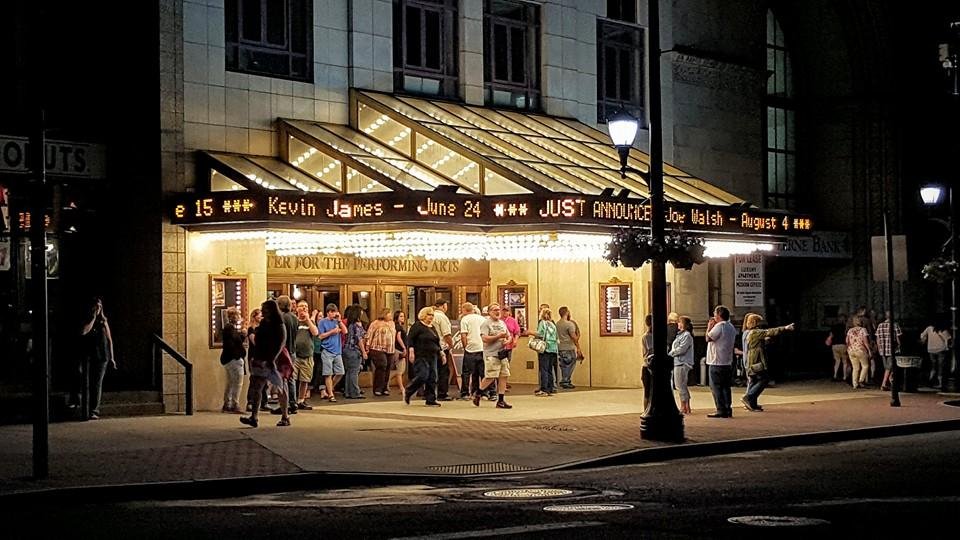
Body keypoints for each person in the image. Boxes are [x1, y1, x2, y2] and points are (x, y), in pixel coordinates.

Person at [241, 299, 290, 428]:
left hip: (275, 358)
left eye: (264, 310)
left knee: (280, 387)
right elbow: (258, 338)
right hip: (260, 357)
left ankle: (285, 416)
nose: (262, 312)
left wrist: (273, 358)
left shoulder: (279, 325)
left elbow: (281, 342)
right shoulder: (263, 323)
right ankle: (254, 416)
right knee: (257, 386)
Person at [742, 315, 795, 411]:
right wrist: (785, 328)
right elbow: (770, 331)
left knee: (754, 380)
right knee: (763, 379)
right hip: (756, 360)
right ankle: (749, 397)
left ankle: (752, 403)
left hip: (750, 360)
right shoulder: (755, 332)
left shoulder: (749, 333)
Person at [81, 297, 116, 420]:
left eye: (100, 307)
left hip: (102, 355)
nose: (98, 309)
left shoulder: (103, 321)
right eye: (96, 307)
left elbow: (110, 340)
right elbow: (84, 332)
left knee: (97, 383)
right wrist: (93, 317)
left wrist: (112, 357)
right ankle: (84, 407)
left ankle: (94, 410)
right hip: (90, 354)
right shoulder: (89, 319)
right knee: (87, 382)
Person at [473, 303, 513, 409]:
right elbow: (484, 339)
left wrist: (507, 341)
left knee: (504, 375)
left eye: (498, 309)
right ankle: (478, 392)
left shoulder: (502, 323)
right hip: (491, 354)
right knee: (491, 376)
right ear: (489, 312)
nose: (497, 312)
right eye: (494, 310)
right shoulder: (486, 324)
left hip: (502, 354)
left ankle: (501, 400)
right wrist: (497, 336)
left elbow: (509, 336)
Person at [404, 306, 442, 406]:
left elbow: (437, 341)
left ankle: (431, 399)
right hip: (421, 355)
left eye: (432, 315)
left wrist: (441, 353)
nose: (431, 317)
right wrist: (411, 352)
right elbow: (410, 340)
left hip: (433, 355)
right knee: (423, 375)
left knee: (433, 377)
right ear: (424, 315)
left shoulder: (432, 328)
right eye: (429, 315)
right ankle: (409, 390)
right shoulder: (417, 326)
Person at [705, 305, 737, 418]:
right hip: (727, 361)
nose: (713, 315)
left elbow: (708, 338)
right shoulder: (731, 327)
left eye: (715, 313)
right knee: (726, 387)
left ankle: (720, 409)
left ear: (719, 315)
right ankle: (728, 408)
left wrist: (709, 327)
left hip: (716, 361)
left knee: (716, 386)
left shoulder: (719, 326)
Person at [274, 295, 299, 416]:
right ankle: (293, 403)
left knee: (282, 380)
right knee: (291, 378)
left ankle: (285, 405)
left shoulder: (282, 318)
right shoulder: (294, 318)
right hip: (292, 350)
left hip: (284, 351)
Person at [317, 303, 347, 402]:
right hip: (327, 350)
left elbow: (345, 331)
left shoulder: (336, 321)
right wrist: (332, 332)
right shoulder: (322, 322)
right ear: (328, 312)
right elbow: (320, 336)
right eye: (332, 312)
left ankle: (329, 388)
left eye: (335, 312)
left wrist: (339, 321)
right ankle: (331, 394)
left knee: (340, 372)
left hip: (337, 351)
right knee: (328, 373)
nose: (334, 314)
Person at [292, 300, 319, 410]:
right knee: (292, 379)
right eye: (301, 306)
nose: (304, 308)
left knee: (305, 379)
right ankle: (292, 400)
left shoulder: (310, 322)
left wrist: (308, 319)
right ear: (297, 308)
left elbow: (315, 333)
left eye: (306, 306)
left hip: (307, 355)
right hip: (295, 355)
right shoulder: (294, 321)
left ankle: (301, 400)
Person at [219, 307, 246, 413]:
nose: (238, 317)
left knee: (230, 382)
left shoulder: (229, 328)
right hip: (233, 359)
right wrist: (238, 355)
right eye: (237, 315)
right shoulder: (230, 328)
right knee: (237, 382)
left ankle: (227, 403)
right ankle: (235, 403)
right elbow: (235, 343)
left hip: (228, 359)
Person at [527, 307, 559, 396]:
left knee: (543, 369)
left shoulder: (542, 323)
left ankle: (544, 389)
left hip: (545, 348)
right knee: (549, 369)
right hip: (553, 348)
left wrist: (530, 332)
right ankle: (550, 387)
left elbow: (540, 334)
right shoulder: (552, 324)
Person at [668, 316, 695, 415]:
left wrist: (670, 354)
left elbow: (681, 349)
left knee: (680, 385)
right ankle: (685, 405)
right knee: (680, 385)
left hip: (682, 363)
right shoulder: (680, 335)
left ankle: (684, 406)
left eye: (680, 322)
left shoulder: (687, 335)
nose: (678, 324)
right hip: (678, 362)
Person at [366, 309, 396, 396]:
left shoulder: (392, 323)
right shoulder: (375, 323)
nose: (391, 315)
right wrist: (367, 347)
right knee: (382, 365)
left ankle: (385, 388)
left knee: (388, 368)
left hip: (390, 349)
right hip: (377, 348)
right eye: (389, 314)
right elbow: (369, 335)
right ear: (384, 314)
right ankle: (377, 388)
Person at [459, 302, 486, 399]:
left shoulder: (464, 319)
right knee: (482, 372)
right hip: (482, 347)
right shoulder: (482, 319)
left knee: (467, 372)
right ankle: (483, 393)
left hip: (470, 348)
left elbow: (463, 335)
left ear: (464, 309)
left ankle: (465, 393)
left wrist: (465, 346)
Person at [245, 308, 270, 412]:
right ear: (255, 317)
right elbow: (255, 342)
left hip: (263, 356)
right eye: (260, 315)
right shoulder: (251, 329)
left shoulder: (263, 329)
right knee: (254, 379)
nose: (262, 317)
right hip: (254, 356)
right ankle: (250, 402)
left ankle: (264, 402)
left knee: (264, 380)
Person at [342, 304, 368, 399]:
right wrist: (364, 352)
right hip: (353, 350)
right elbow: (359, 339)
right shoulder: (356, 326)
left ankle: (348, 392)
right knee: (354, 372)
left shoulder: (350, 324)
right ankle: (355, 392)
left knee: (349, 372)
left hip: (347, 349)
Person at [431, 300, 455, 401]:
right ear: (443, 306)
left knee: (431, 370)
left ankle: (426, 392)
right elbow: (446, 334)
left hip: (431, 346)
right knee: (443, 371)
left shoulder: (430, 315)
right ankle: (442, 393)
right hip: (441, 346)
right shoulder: (442, 317)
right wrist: (451, 344)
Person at [920, 318, 952, 389]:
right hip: (941, 350)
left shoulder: (929, 328)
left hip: (931, 350)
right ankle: (940, 383)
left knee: (933, 366)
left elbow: (922, 335)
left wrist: (924, 340)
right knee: (940, 367)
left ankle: (930, 381)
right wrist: (948, 347)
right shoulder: (943, 330)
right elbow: (948, 339)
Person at [556, 306, 583, 389]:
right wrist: (578, 348)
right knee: (570, 364)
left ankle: (564, 380)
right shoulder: (569, 324)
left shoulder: (557, 324)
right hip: (568, 348)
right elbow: (574, 337)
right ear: (567, 312)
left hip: (560, 347)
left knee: (563, 365)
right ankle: (565, 381)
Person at [876, 311, 902, 391]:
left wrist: (879, 347)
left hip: (883, 349)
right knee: (889, 367)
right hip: (892, 349)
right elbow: (898, 338)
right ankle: (883, 384)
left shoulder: (880, 325)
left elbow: (878, 338)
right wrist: (899, 345)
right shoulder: (894, 325)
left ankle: (891, 383)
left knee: (887, 367)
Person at [846, 316, 872, 389]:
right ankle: (861, 380)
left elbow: (847, 341)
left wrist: (848, 349)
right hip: (860, 350)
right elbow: (865, 341)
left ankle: (855, 384)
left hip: (851, 350)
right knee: (865, 366)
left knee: (855, 368)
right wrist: (869, 350)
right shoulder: (863, 330)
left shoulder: (850, 330)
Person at [827, 314, 851, 382]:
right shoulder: (845, 327)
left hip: (834, 345)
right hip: (843, 344)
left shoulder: (834, 326)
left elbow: (831, 335)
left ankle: (835, 375)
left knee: (837, 361)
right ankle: (844, 376)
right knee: (845, 362)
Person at [390, 310, 409, 395]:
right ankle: (402, 388)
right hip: (399, 349)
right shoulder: (398, 327)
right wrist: (404, 347)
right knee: (400, 370)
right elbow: (398, 337)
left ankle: (387, 382)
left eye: (403, 316)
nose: (403, 318)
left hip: (397, 349)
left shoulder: (397, 326)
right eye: (401, 316)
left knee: (400, 370)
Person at [641, 314, 654, 412]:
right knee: (647, 392)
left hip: (651, 366)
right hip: (648, 366)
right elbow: (650, 350)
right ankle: (646, 411)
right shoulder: (647, 336)